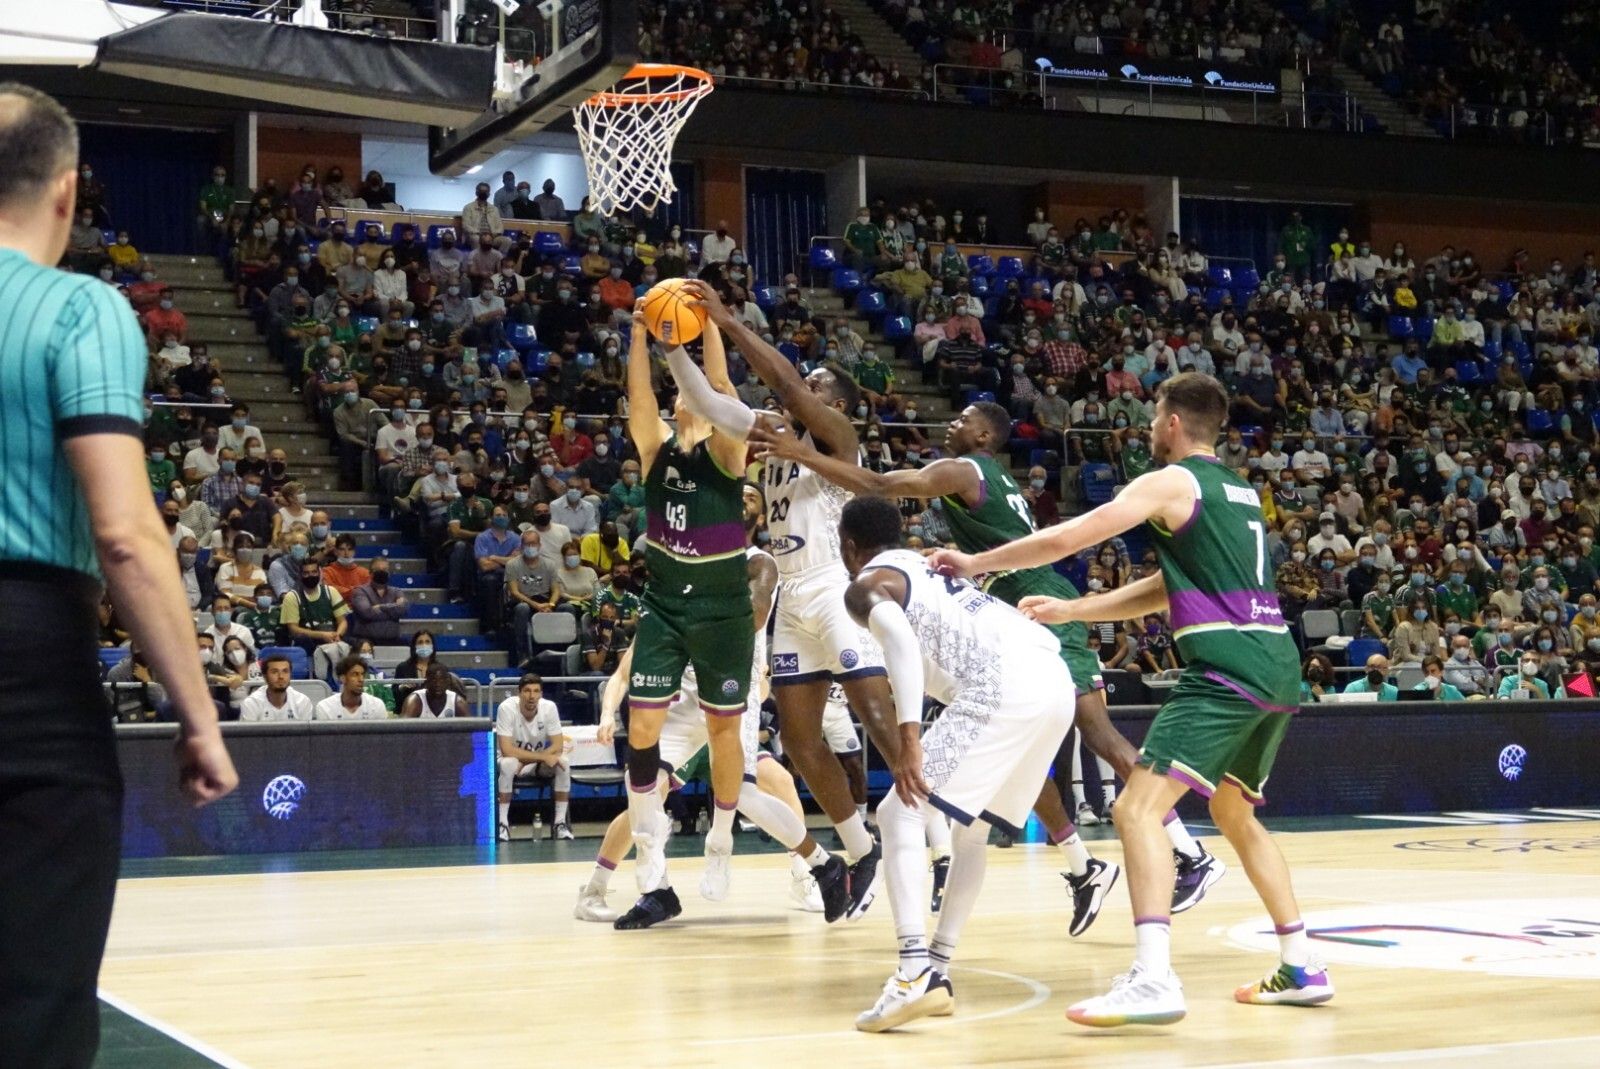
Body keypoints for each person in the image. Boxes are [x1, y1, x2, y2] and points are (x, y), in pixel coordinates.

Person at [931, 373, 1332, 1026]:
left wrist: (976, 563)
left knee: (1135, 809)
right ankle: (1301, 961)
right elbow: (1169, 587)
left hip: (1226, 668)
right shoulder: (1237, 490)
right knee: (1233, 812)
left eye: (1153, 417)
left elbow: (1069, 537)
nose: (1148, 428)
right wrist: (1074, 609)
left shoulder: (1171, 481)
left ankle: (1152, 977)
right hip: (1276, 667)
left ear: (1173, 422)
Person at [755, 401, 1224, 918]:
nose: (952, 423)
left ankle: (1189, 852)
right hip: (1020, 604)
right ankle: (1083, 866)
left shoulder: (965, 470)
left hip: (1037, 601)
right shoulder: (990, 478)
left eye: (964, 419)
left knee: (1101, 736)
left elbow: (880, 485)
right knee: (1026, 750)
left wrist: (800, 452)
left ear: (984, 437)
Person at [0, 83, 237, 1069]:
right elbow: (127, 534)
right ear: (66, 191)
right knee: (34, 998)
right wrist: (198, 714)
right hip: (25, 663)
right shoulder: (78, 309)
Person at [685, 280, 897, 916]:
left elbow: (783, 384)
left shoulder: (836, 435)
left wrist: (728, 320)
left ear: (837, 402)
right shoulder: (777, 432)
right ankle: (862, 853)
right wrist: (677, 344)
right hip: (790, 590)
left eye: (816, 383)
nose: (805, 385)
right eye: (807, 381)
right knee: (802, 742)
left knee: (875, 715)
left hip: (833, 583)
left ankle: (936, 843)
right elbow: (717, 400)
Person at [838, 496, 1077, 1031]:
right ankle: (937, 970)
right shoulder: (926, 564)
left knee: (898, 813)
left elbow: (900, 643)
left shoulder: (867, 584)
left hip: (1002, 683)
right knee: (970, 831)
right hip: (1053, 678)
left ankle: (913, 973)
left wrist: (909, 739)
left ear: (849, 547)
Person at [579, 528, 845, 927]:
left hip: (729, 695)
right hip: (687, 702)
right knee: (643, 793)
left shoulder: (755, 565)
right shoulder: (667, 594)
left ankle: (804, 870)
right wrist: (607, 714)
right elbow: (623, 672)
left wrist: (759, 682)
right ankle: (630, 889)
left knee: (764, 789)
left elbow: (754, 628)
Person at [619, 304, 759, 909]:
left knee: (723, 730)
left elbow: (721, 386)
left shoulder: (727, 454)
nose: (682, 397)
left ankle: (721, 840)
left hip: (723, 611)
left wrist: (709, 327)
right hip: (665, 605)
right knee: (640, 727)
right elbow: (639, 400)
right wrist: (638, 332)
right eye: (678, 393)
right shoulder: (656, 451)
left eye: (690, 392)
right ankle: (649, 847)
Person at [493, 675, 572, 841]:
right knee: (508, 764)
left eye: (536, 691)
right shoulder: (506, 708)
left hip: (532, 763)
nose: (532, 696)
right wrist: (542, 756)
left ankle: (560, 824)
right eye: (527, 691)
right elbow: (507, 750)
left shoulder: (549, 708)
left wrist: (531, 760)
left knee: (563, 763)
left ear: (541, 694)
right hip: (511, 762)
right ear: (519, 693)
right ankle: (502, 824)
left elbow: (558, 744)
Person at [280, 557, 350, 680]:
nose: (310, 576)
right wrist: (322, 635)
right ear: (300, 575)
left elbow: (342, 621)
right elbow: (293, 629)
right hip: (307, 643)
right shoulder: (292, 597)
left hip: (333, 638)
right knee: (302, 639)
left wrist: (337, 635)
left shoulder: (331, 591)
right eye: (306, 573)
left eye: (314, 572)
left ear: (319, 573)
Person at [238, 652, 314, 721]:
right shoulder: (251, 703)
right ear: (265, 676)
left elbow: (305, 732)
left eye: (285, 671)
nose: (281, 676)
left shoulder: (302, 701)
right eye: (274, 672)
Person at [313, 655, 388, 720]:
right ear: (342, 678)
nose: (361, 679)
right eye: (355, 674)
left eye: (362, 674)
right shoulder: (325, 707)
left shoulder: (377, 705)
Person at [400, 662, 469, 718]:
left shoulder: (458, 702)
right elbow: (403, 728)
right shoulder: (414, 700)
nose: (437, 684)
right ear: (427, 681)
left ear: (447, 682)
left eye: (441, 680)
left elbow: (467, 729)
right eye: (433, 680)